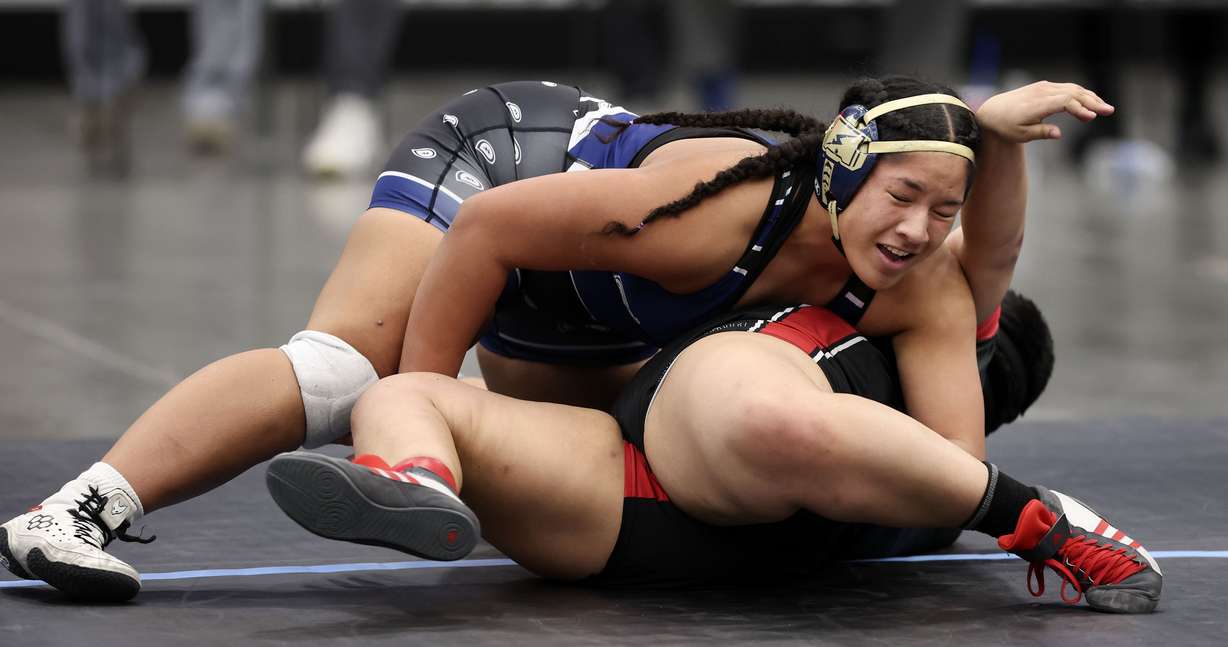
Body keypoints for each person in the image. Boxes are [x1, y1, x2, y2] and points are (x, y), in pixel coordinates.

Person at [0, 77, 1109, 601]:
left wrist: (992, 134)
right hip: (503, 177)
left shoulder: (921, 279)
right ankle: (78, 507)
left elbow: (962, 424)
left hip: (587, 307)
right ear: (844, 173)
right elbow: (486, 230)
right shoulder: (704, 211)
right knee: (346, 368)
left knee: (579, 453)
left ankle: (418, 449)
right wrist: (416, 393)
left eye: (945, 212)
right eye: (902, 198)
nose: (918, 231)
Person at [265, 288, 1161, 613]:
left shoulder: (926, 350)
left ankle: (1040, 514)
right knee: (404, 396)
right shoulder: (911, 452)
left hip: (670, 485)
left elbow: (985, 260)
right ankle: (418, 478)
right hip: (635, 491)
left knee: (771, 420)